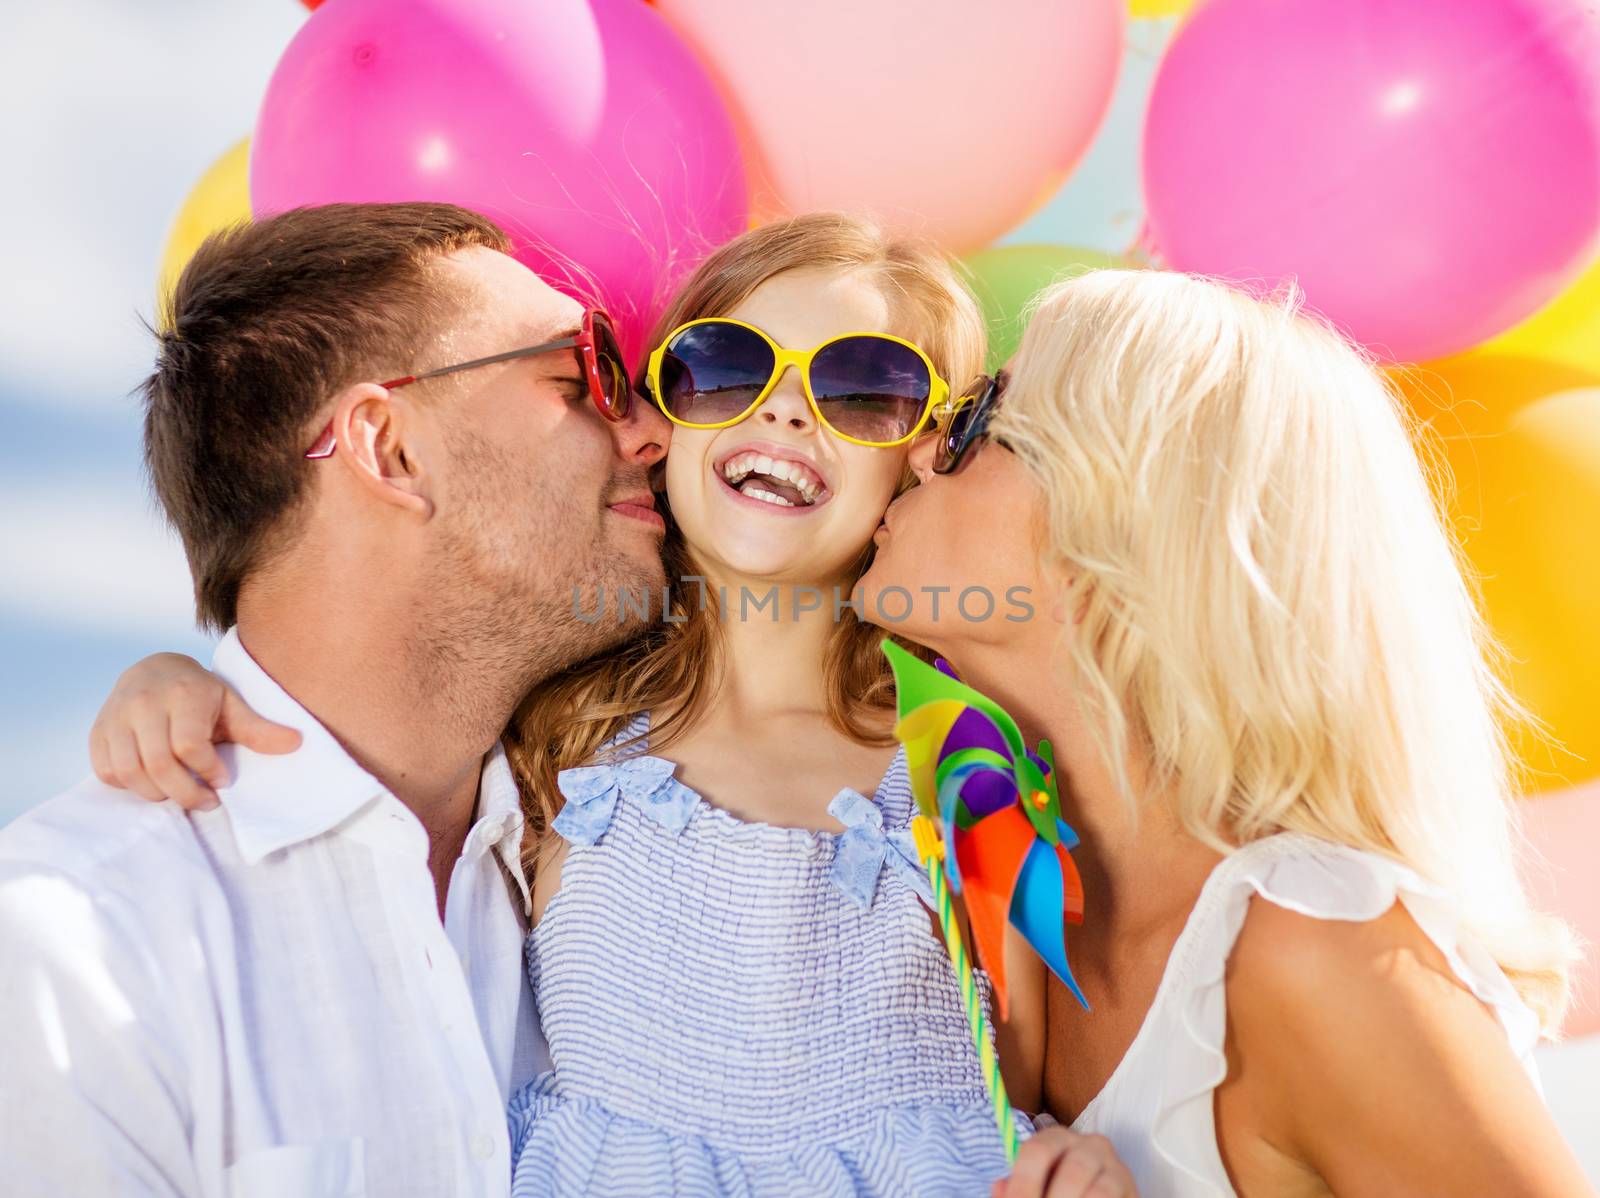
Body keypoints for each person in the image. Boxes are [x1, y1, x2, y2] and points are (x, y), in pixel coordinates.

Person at [68, 213, 1139, 1196]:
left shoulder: (964, 754)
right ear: (662, 423)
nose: (783, 407)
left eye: (864, 390)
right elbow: (374, 703)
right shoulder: (554, 728)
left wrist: (1076, 1157)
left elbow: (1035, 1079)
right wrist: (179, 677)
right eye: (721, 368)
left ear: (922, 455)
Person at [859, 269, 1593, 1197]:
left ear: (1115, 517)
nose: (922, 452)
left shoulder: (1314, 937)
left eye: (975, 425)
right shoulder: (1028, 925)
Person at [0, 201, 671, 1197]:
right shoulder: (75, 942)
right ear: (387, 448)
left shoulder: (641, 851)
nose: (652, 431)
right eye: (577, 382)